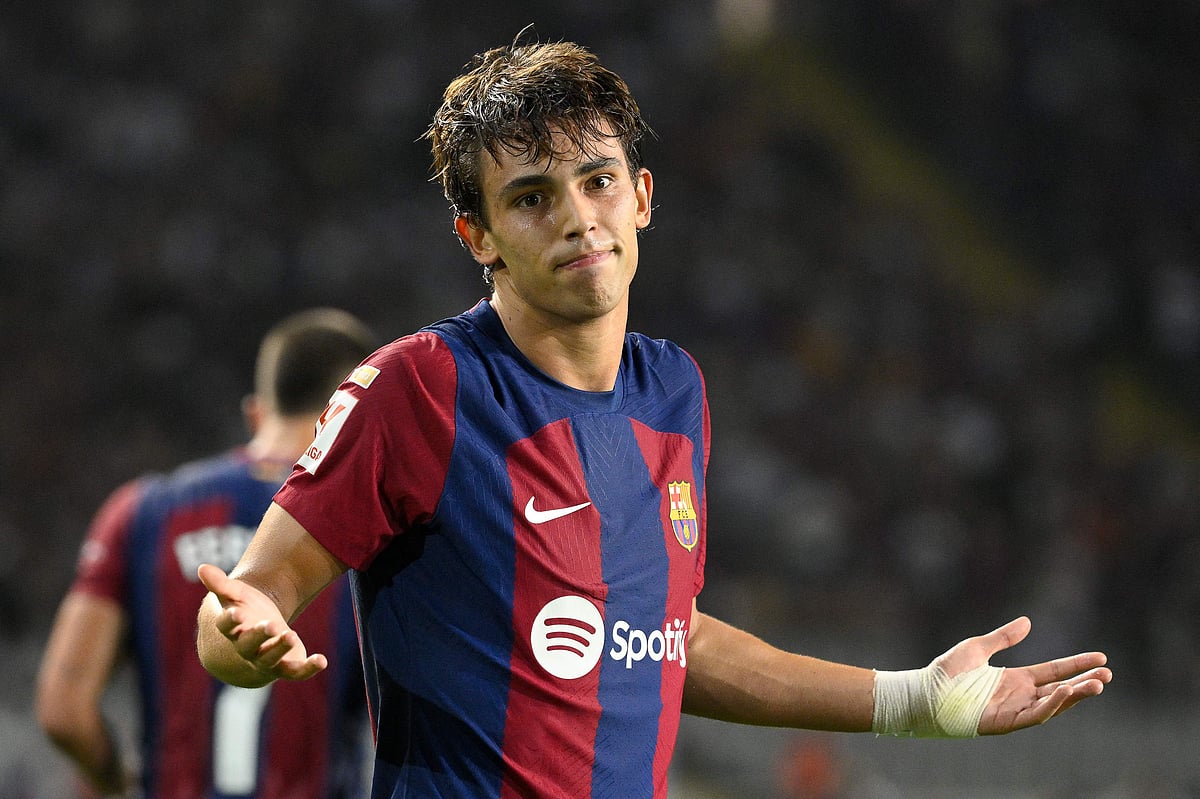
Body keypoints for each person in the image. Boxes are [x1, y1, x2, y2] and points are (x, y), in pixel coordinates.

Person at [195, 39, 1112, 799]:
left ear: (640, 196)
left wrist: (914, 699)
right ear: (479, 238)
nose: (577, 219)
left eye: (596, 182)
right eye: (531, 198)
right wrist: (242, 638)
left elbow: (670, 640)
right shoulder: (420, 385)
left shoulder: (674, 389)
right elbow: (247, 601)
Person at [37, 308, 377, 799]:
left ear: (256, 413)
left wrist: (114, 781)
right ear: (351, 414)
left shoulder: (139, 512)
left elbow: (63, 712)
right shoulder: (371, 528)